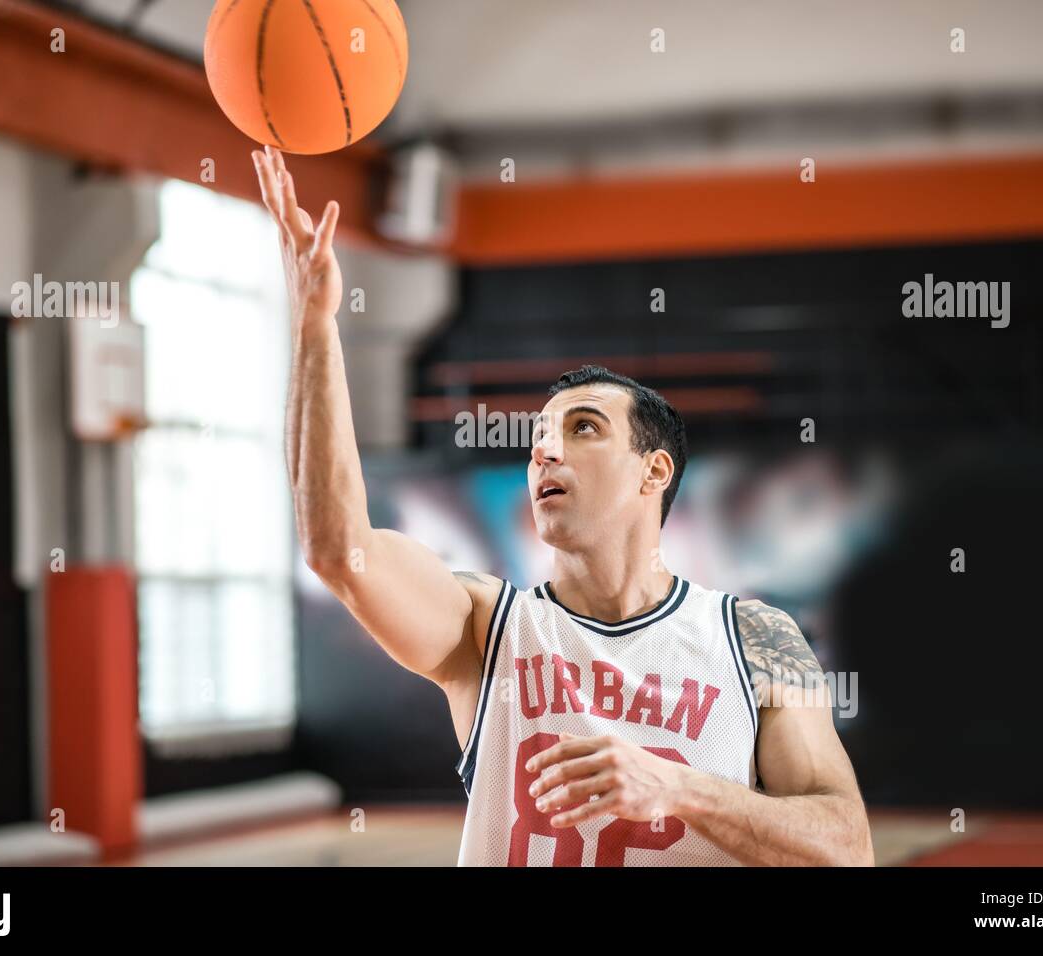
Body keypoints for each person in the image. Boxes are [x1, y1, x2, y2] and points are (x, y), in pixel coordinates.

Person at [253, 146, 874, 866]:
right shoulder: (486, 628)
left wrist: (679, 789)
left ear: (655, 471)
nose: (545, 450)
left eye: (582, 428)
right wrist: (314, 330)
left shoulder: (756, 639)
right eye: (537, 437)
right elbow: (338, 550)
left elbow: (846, 849)